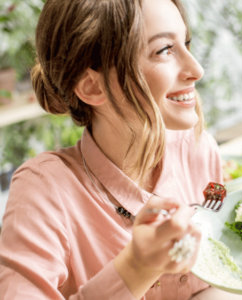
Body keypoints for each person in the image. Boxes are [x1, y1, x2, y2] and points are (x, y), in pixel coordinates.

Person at [0, 0, 222, 299]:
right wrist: (136, 267)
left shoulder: (200, 150)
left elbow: (222, 264)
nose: (197, 69)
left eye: (185, 43)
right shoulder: (43, 190)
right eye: (164, 50)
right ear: (92, 87)